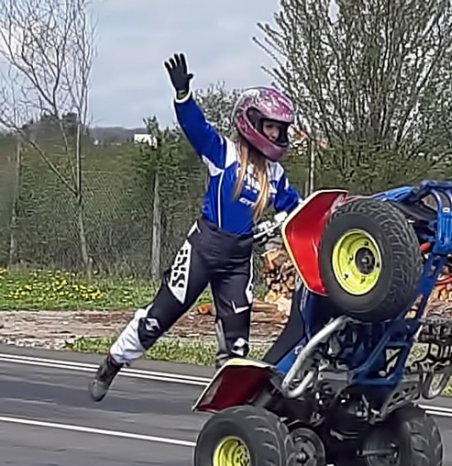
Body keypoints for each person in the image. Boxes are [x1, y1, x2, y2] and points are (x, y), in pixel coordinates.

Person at [88, 52, 303, 401]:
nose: (277, 135)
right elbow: (196, 128)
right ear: (251, 122)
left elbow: (296, 209)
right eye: (271, 127)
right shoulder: (225, 154)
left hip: (238, 261)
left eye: (281, 128)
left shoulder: (275, 176)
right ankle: (112, 362)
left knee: (238, 343)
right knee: (159, 318)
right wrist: (184, 96)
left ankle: (233, 406)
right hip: (203, 249)